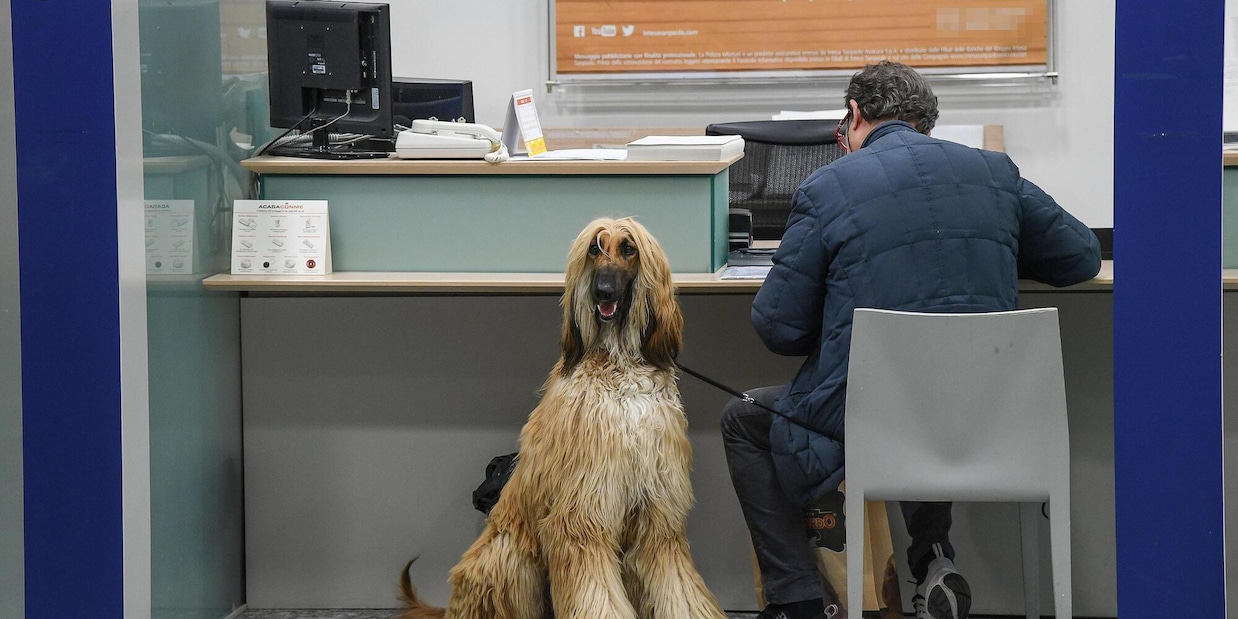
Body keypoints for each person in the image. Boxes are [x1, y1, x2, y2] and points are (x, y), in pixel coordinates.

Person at [722, 60, 1101, 619]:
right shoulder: (995, 173)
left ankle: (796, 598)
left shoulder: (828, 186)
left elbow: (778, 328)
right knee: (928, 381)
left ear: (854, 116)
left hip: (875, 417)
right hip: (994, 411)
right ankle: (931, 564)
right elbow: (1081, 257)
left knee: (747, 419)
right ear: (927, 121)